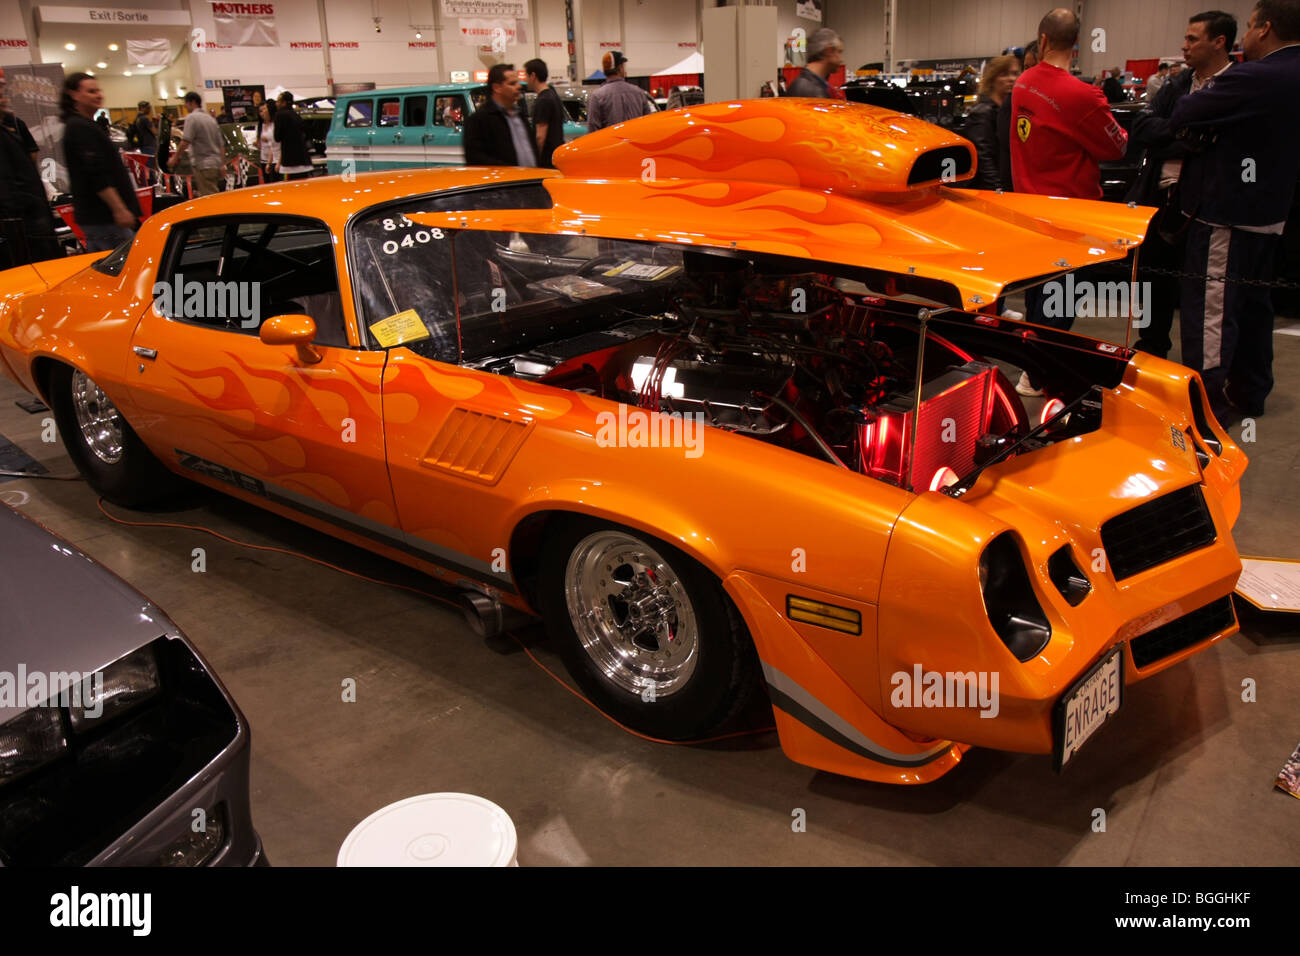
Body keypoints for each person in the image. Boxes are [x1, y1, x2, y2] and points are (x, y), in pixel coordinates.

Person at [1170, 0, 1300, 422]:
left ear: (1263, 29)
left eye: (1249, 26)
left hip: (1227, 215)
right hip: (1272, 215)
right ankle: (1251, 391)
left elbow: (1185, 113)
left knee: (1212, 312)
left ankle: (1207, 405)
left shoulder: (1255, 77)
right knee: (1254, 307)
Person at [1011, 8, 1128, 395]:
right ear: (1075, 46)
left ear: (1041, 39)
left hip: (1030, 209)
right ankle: (1039, 372)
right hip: (1071, 216)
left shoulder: (1023, 84)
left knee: (1038, 295)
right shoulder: (1083, 96)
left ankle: (1032, 365)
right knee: (1061, 298)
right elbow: (1116, 145)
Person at [1126, 10, 1236, 359]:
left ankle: (1201, 363)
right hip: (1161, 200)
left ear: (1219, 42)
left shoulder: (1237, 85)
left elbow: (1222, 142)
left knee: (1202, 294)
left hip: (1208, 206)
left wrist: (1176, 135)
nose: (1183, 46)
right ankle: (1151, 348)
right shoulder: (1176, 85)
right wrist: (1188, 138)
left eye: (1192, 39)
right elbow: (1143, 130)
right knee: (1153, 281)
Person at [60, 73, 139, 253]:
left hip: (101, 218)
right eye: (91, 91)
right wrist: (119, 209)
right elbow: (96, 174)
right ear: (74, 95)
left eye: (98, 90)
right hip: (103, 217)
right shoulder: (79, 127)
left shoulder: (87, 125)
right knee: (125, 264)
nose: (98, 95)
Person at [0, 66, 62, 265]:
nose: (4, 93)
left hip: (34, 213)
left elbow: (32, 154)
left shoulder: (14, 124)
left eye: (4, 87)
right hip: (18, 222)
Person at [962, 55, 1019, 189]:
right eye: (1004, 74)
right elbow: (983, 158)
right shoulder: (982, 113)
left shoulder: (1008, 110)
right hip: (988, 190)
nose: (1011, 79)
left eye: (1015, 74)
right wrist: (998, 189)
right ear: (993, 79)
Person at [463, 63, 536, 166]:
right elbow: (475, 158)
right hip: (507, 180)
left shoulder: (520, 116)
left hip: (531, 178)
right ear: (497, 88)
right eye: (512, 83)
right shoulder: (479, 120)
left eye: (518, 82)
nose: (519, 86)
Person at [997, 39, 1038, 190]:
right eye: (1027, 67)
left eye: (1014, 73)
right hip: (1015, 188)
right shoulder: (1013, 101)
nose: (1011, 79)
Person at [168, 91, 224, 196]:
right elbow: (221, 145)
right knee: (213, 194)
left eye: (186, 103)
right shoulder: (211, 119)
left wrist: (174, 158)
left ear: (192, 102)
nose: (185, 106)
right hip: (215, 164)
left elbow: (185, 141)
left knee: (209, 197)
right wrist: (222, 165)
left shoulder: (192, 118)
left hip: (203, 165)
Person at [586, 51, 655, 131]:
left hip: (611, 142)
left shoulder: (597, 96)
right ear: (620, 68)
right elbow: (649, 123)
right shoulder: (639, 92)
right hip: (635, 141)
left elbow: (593, 128)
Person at [524, 58, 565, 169]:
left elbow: (540, 136)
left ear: (533, 76)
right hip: (556, 156)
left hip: (547, 161)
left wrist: (536, 162)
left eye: (526, 76)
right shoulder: (553, 95)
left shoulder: (543, 100)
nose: (525, 80)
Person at [783, 28, 844, 98]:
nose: (841, 59)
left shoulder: (807, 85)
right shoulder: (812, 92)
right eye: (839, 52)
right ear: (829, 51)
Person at [273, 91, 313, 181]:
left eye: (278, 101)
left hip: (289, 162)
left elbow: (277, 137)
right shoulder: (296, 115)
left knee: (289, 190)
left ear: (284, 102)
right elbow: (307, 132)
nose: (277, 104)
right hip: (304, 160)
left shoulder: (279, 115)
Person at [132, 100, 158, 172]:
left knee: (146, 165)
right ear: (142, 108)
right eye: (148, 108)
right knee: (151, 166)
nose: (149, 110)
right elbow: (155, 132)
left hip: (143, 145)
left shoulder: (137, 118)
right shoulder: (144, 118)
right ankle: (153, 181)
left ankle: (149, 180)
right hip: (149, 145)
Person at [257, 100, 279, 183]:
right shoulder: (260, 125)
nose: (262, 113)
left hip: (273, 158)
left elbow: (274, 143)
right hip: (263, 158)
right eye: (260, 111)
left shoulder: (274, 124)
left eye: (264, 109)